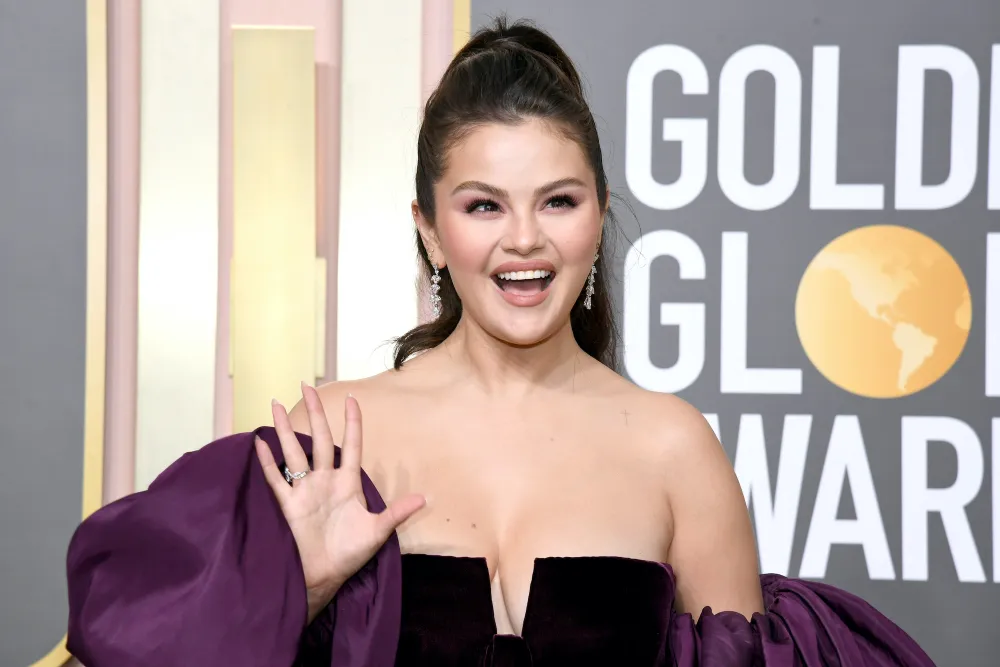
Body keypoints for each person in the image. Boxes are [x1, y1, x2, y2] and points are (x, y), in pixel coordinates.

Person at [65, 17, 936, 667]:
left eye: (558, 201)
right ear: (430, 230)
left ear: (599, 215)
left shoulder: (675, 448)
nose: (524, 239)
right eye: (483, 205)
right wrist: (304, 590)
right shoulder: (332, 437)